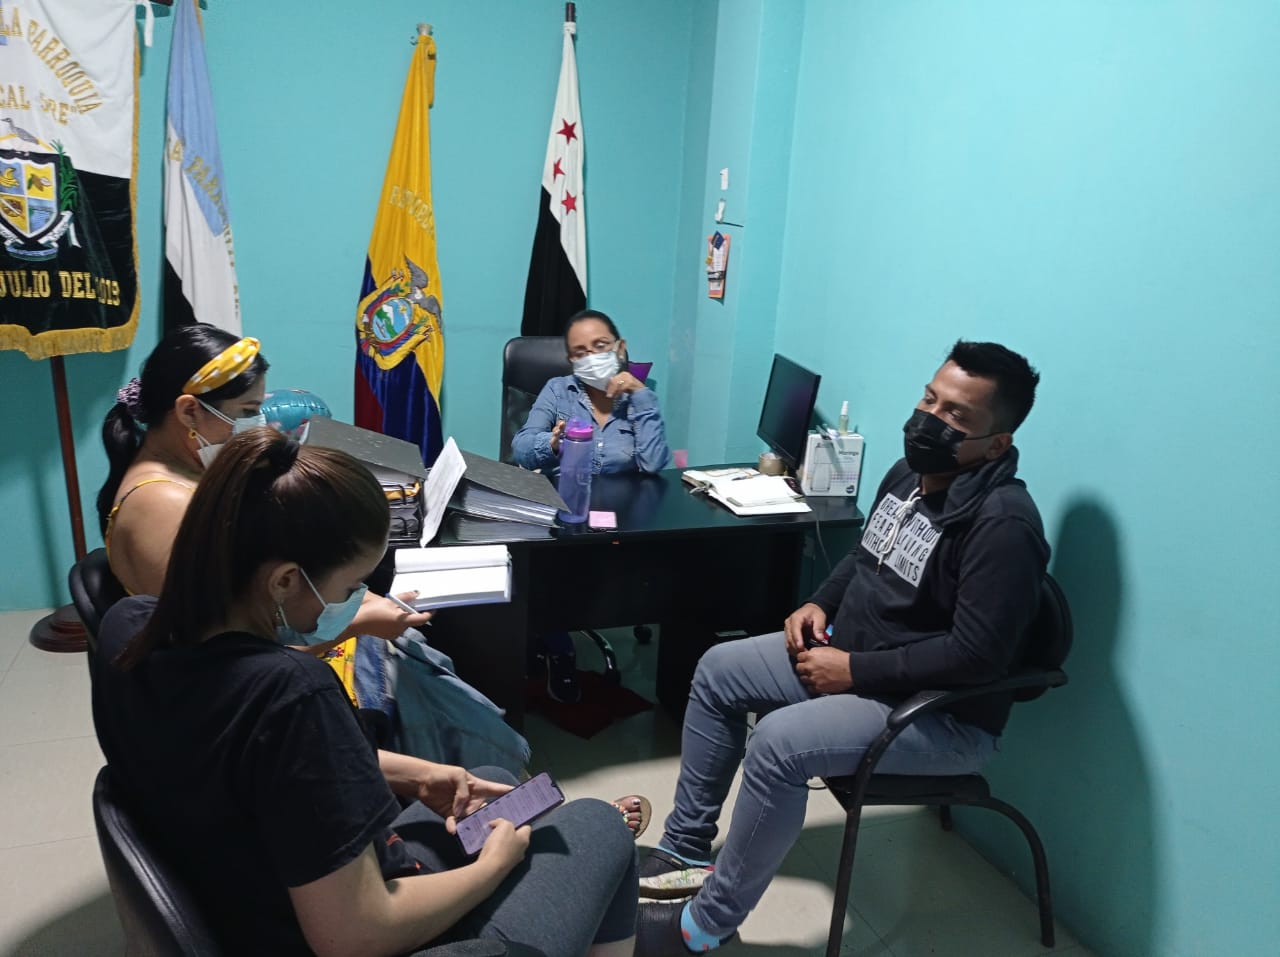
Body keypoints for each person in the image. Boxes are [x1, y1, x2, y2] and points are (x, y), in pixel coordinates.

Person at [92, 429, 640, 957]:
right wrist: (493, 868)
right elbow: (353, 937)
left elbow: (255, 760)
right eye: (351, 587)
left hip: (242, 897)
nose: (356, 601)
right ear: (284, 581)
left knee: (491, 781)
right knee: (598, 825)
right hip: (331, 930)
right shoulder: (291, 693)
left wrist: (417, 775)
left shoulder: (131, 627)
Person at [634, 341, 1050, 955]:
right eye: (930, 399)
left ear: (997, 444)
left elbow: (977, 657)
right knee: (719, 670)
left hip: (939, 713)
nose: (930, 420)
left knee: (778, 743)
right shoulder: (908, 475)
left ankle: (703, 928)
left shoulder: (1003, 526)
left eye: (957, 415)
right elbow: (863, 555)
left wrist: (854, 670)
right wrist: (820, 603)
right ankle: (685, 848)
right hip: (858, 664)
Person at [512, 309, 672, 703]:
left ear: (620, 348)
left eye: (600, 346)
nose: (591, 357)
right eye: (580, 352)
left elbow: (654, 463)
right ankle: (559, 649)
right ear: (571, 360)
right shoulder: (558, 391)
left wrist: (641, 396)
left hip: (621, 521)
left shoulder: (638, 398)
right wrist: (551, 443)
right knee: (545, 571)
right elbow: (521, 448)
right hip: (563, 515)